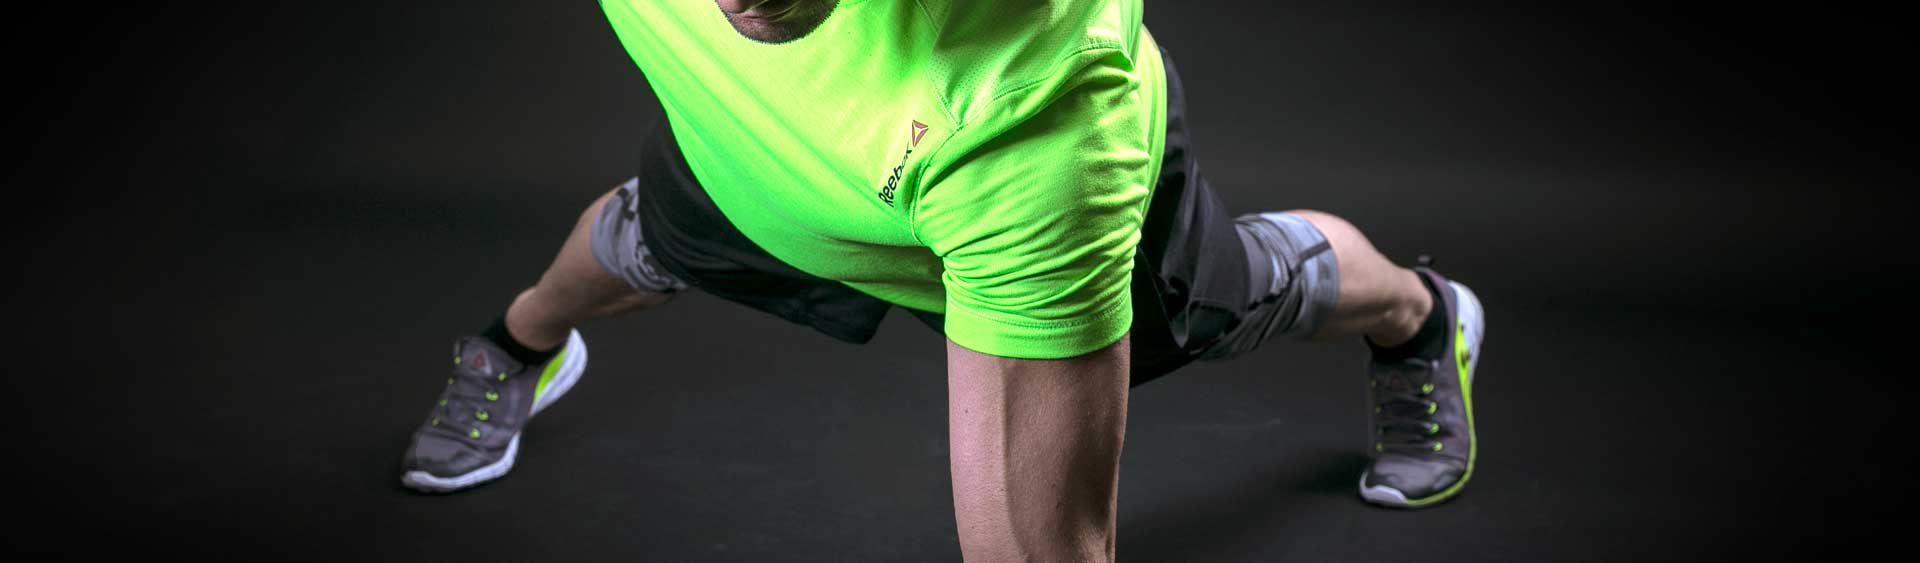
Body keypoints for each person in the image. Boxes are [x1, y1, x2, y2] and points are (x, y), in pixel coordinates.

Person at [400, 1, 1487, 560]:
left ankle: (1418, 316)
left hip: (987, 188)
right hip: (748, 149)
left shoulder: (1035, 112)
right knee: (644, 239)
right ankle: (517, 345)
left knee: (1242, 292)